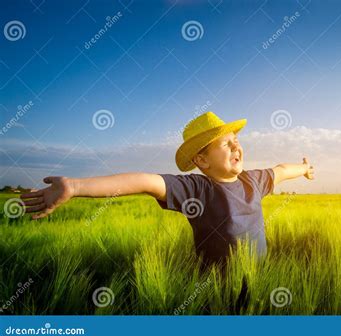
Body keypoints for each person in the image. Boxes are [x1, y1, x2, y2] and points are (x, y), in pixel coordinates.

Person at [21, 111, 315, 268]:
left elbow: (280, 171)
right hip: (214, 288)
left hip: (261, 277)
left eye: (237, 141)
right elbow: (144, 181)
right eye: (226, 143)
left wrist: (304, 169)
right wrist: (75, 185)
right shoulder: (197, 189)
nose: (237, 146)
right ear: (201, 160)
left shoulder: (254, 180)